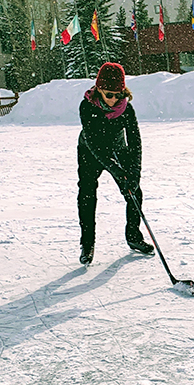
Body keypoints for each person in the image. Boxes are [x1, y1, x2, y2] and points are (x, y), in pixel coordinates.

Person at [77, 62, 154, 264]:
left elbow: (135, 142)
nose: (114, 100)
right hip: (90, 150)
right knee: (87, 192)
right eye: (109, 94)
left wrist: (133, 173)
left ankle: (133, 236)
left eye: (118, 95)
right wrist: (116, 170)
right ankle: (87, 243)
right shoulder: (87, 106)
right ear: (99, 89)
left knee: (134, 192)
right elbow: (94, 143)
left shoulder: (127, 109)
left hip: (118, 148)